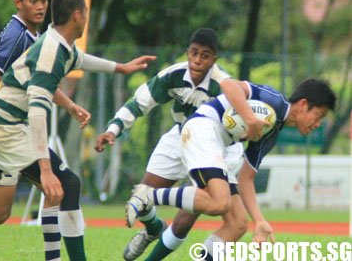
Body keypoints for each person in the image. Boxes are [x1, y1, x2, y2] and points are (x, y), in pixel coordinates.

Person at [0, 0, 155, 261]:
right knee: (68, 184)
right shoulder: (50, 50)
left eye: (43, 0)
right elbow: (37, 112)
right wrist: (46, 170)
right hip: (8, 132)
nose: (87, 16)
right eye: (86, 12)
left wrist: (120, 68)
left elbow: (80, 60)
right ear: (77, 15)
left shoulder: (57, 42)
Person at [94, 27, 269, 261]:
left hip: (220, 148)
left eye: (204, 55)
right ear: (188, 52)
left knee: (187, 217)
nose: (197, 60)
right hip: (181, 137)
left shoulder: (223, 84)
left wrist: (250, 128)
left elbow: (247, 115)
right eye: (194, 53)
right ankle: (154, 228)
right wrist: (112, 129)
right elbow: (139, 103)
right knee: (142, 193)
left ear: (213, 60)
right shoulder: (174, 75)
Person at [127, 78, 336, 260]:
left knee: (237, 223)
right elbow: (228, 84)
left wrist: (259, 221)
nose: (318, 124)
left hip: (217, 144)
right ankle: (148, 196)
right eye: (318, 115)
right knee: (219, 202)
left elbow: (246, 179)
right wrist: (250, 117)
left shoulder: (272, 132)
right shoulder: (274, 101)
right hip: (204, 128)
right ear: (302, 104)